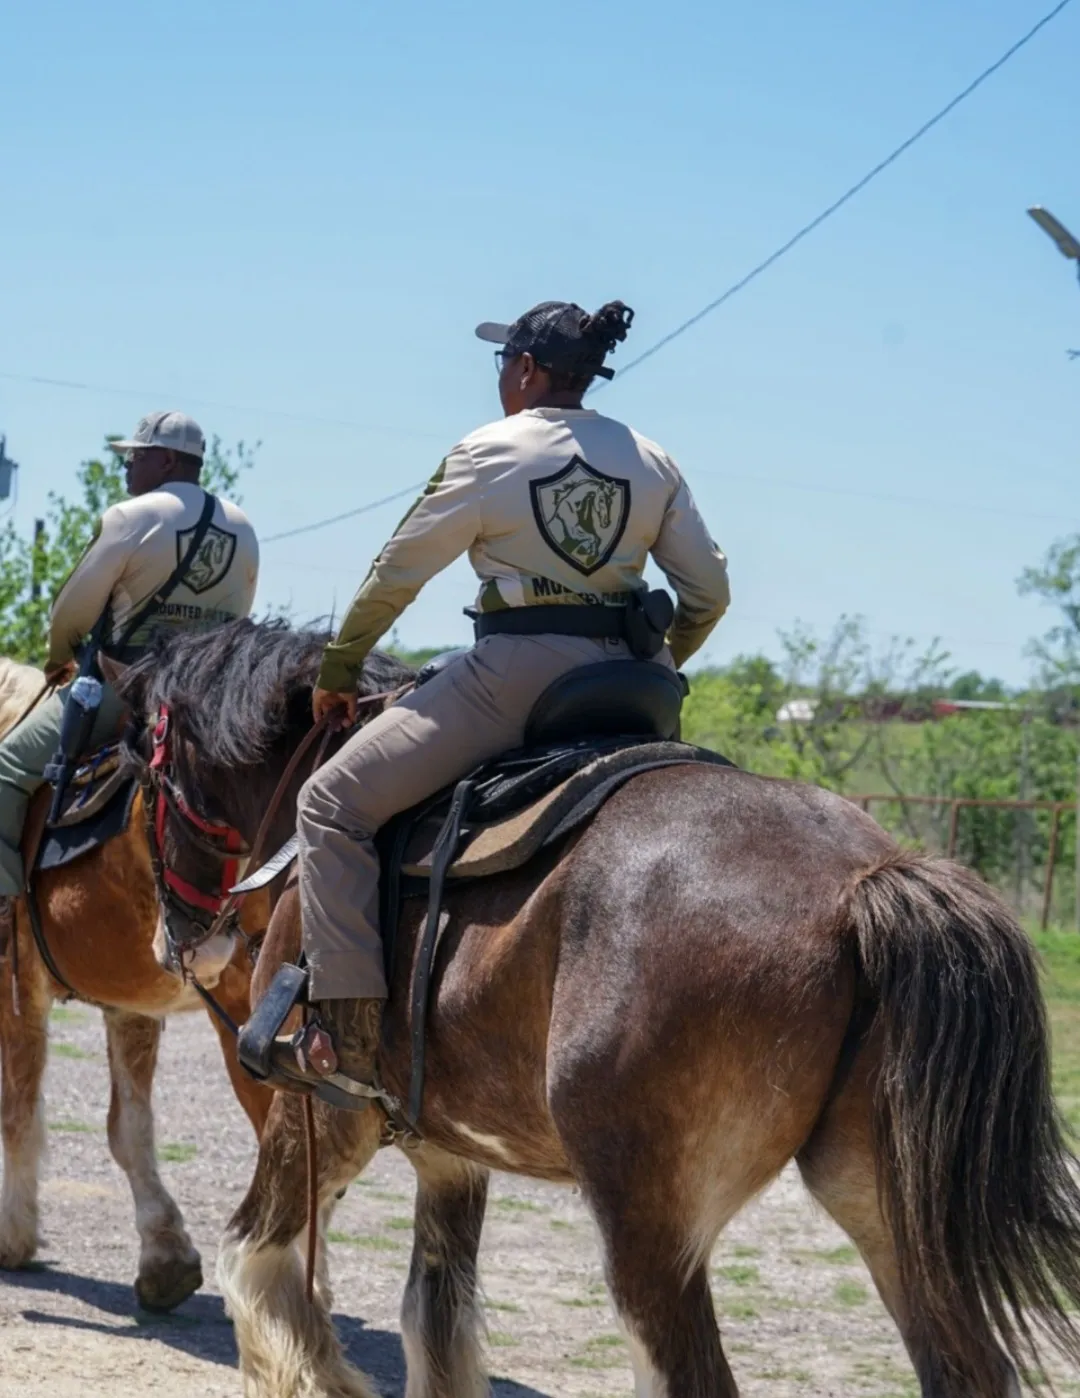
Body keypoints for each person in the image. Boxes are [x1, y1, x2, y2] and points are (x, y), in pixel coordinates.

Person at [275, 299, 731, 1094]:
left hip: (515, 675)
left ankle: (345, 1032)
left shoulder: (488, 450)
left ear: (523, 370)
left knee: (331, 803)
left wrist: (342, 668)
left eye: (501, 366)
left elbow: (398, 573)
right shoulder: (652, 458)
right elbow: (710, 592)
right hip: (639, 681)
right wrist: (658, 663)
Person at [0, 410, 259, 948]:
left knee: (5, 768)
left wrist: (58, 660)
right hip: (211, 699)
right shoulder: (242, 524)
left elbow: (71, 613)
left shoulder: (131, 517)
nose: (126, 468)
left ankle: (4, 914)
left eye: (135, 457)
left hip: (127, 692)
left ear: (165, 460)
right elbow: (238, 617)